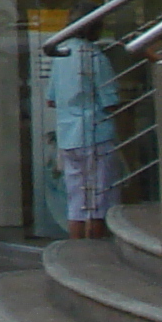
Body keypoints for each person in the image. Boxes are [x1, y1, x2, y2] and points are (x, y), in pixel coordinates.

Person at [43, 32, 118, 239]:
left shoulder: (61, 56)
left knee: (76, 201)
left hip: (68, 136)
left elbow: (51, 99)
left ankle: (76, 249)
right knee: (98, 202)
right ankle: (95, 250)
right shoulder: (94, 56)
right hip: (95, 133)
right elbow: (110, 100)